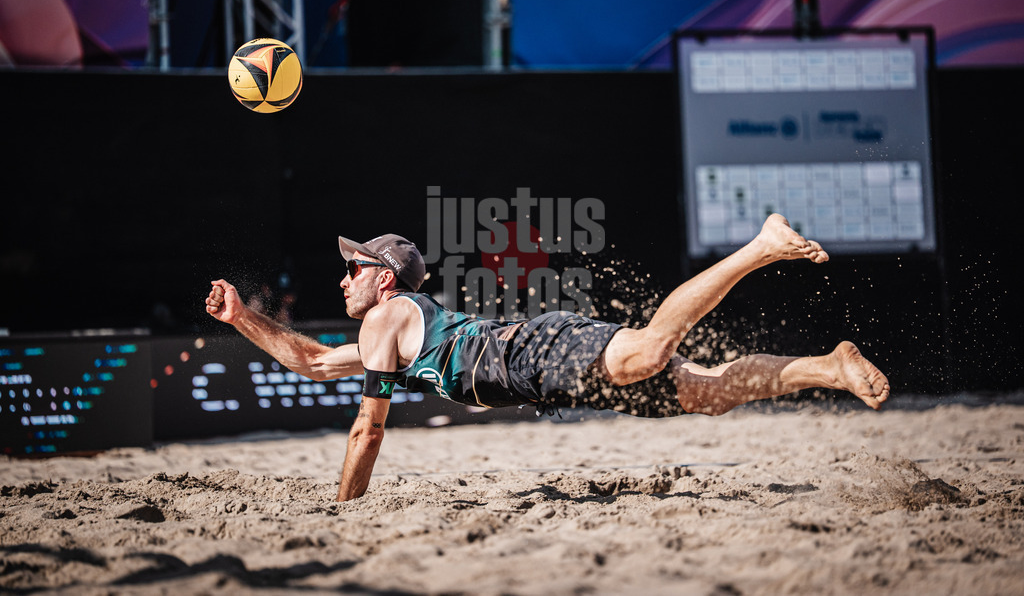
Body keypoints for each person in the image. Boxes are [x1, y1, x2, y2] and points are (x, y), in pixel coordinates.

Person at [205, 215, 890, 502]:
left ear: (384, 278)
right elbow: (317, 361)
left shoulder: (386, 316)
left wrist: (342, 508)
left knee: (650, 350)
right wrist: (242, 317)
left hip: (537, 351)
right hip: (539, 366)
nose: (343, 279)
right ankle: (827, 367)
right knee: (706, 391)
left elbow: (368, 429)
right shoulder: (398, 326)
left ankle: (763, 244)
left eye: (353, 268)